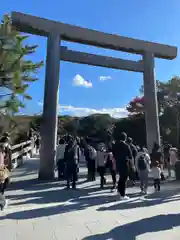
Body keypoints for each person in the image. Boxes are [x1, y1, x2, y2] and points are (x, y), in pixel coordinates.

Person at [112, 132, 133, 200]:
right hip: (125, 163)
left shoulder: (115, 145)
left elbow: (114, 154)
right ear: (125, 138)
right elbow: (130, 156)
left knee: (121, 178)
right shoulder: (126, 146)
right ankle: (122, 195)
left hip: (118, 163)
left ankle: (119, 191)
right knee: (124, 179)